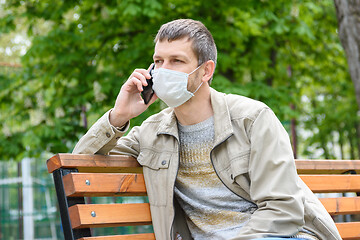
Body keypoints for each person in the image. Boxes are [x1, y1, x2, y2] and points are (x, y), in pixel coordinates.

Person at [73, 19, 341, 240]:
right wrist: (119, 116)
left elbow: (282, 210)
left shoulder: (253, 119)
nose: (163, 71)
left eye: (177, 61)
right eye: (158, 61)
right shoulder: (151, 133)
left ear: (206, 71)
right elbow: (80, 166)